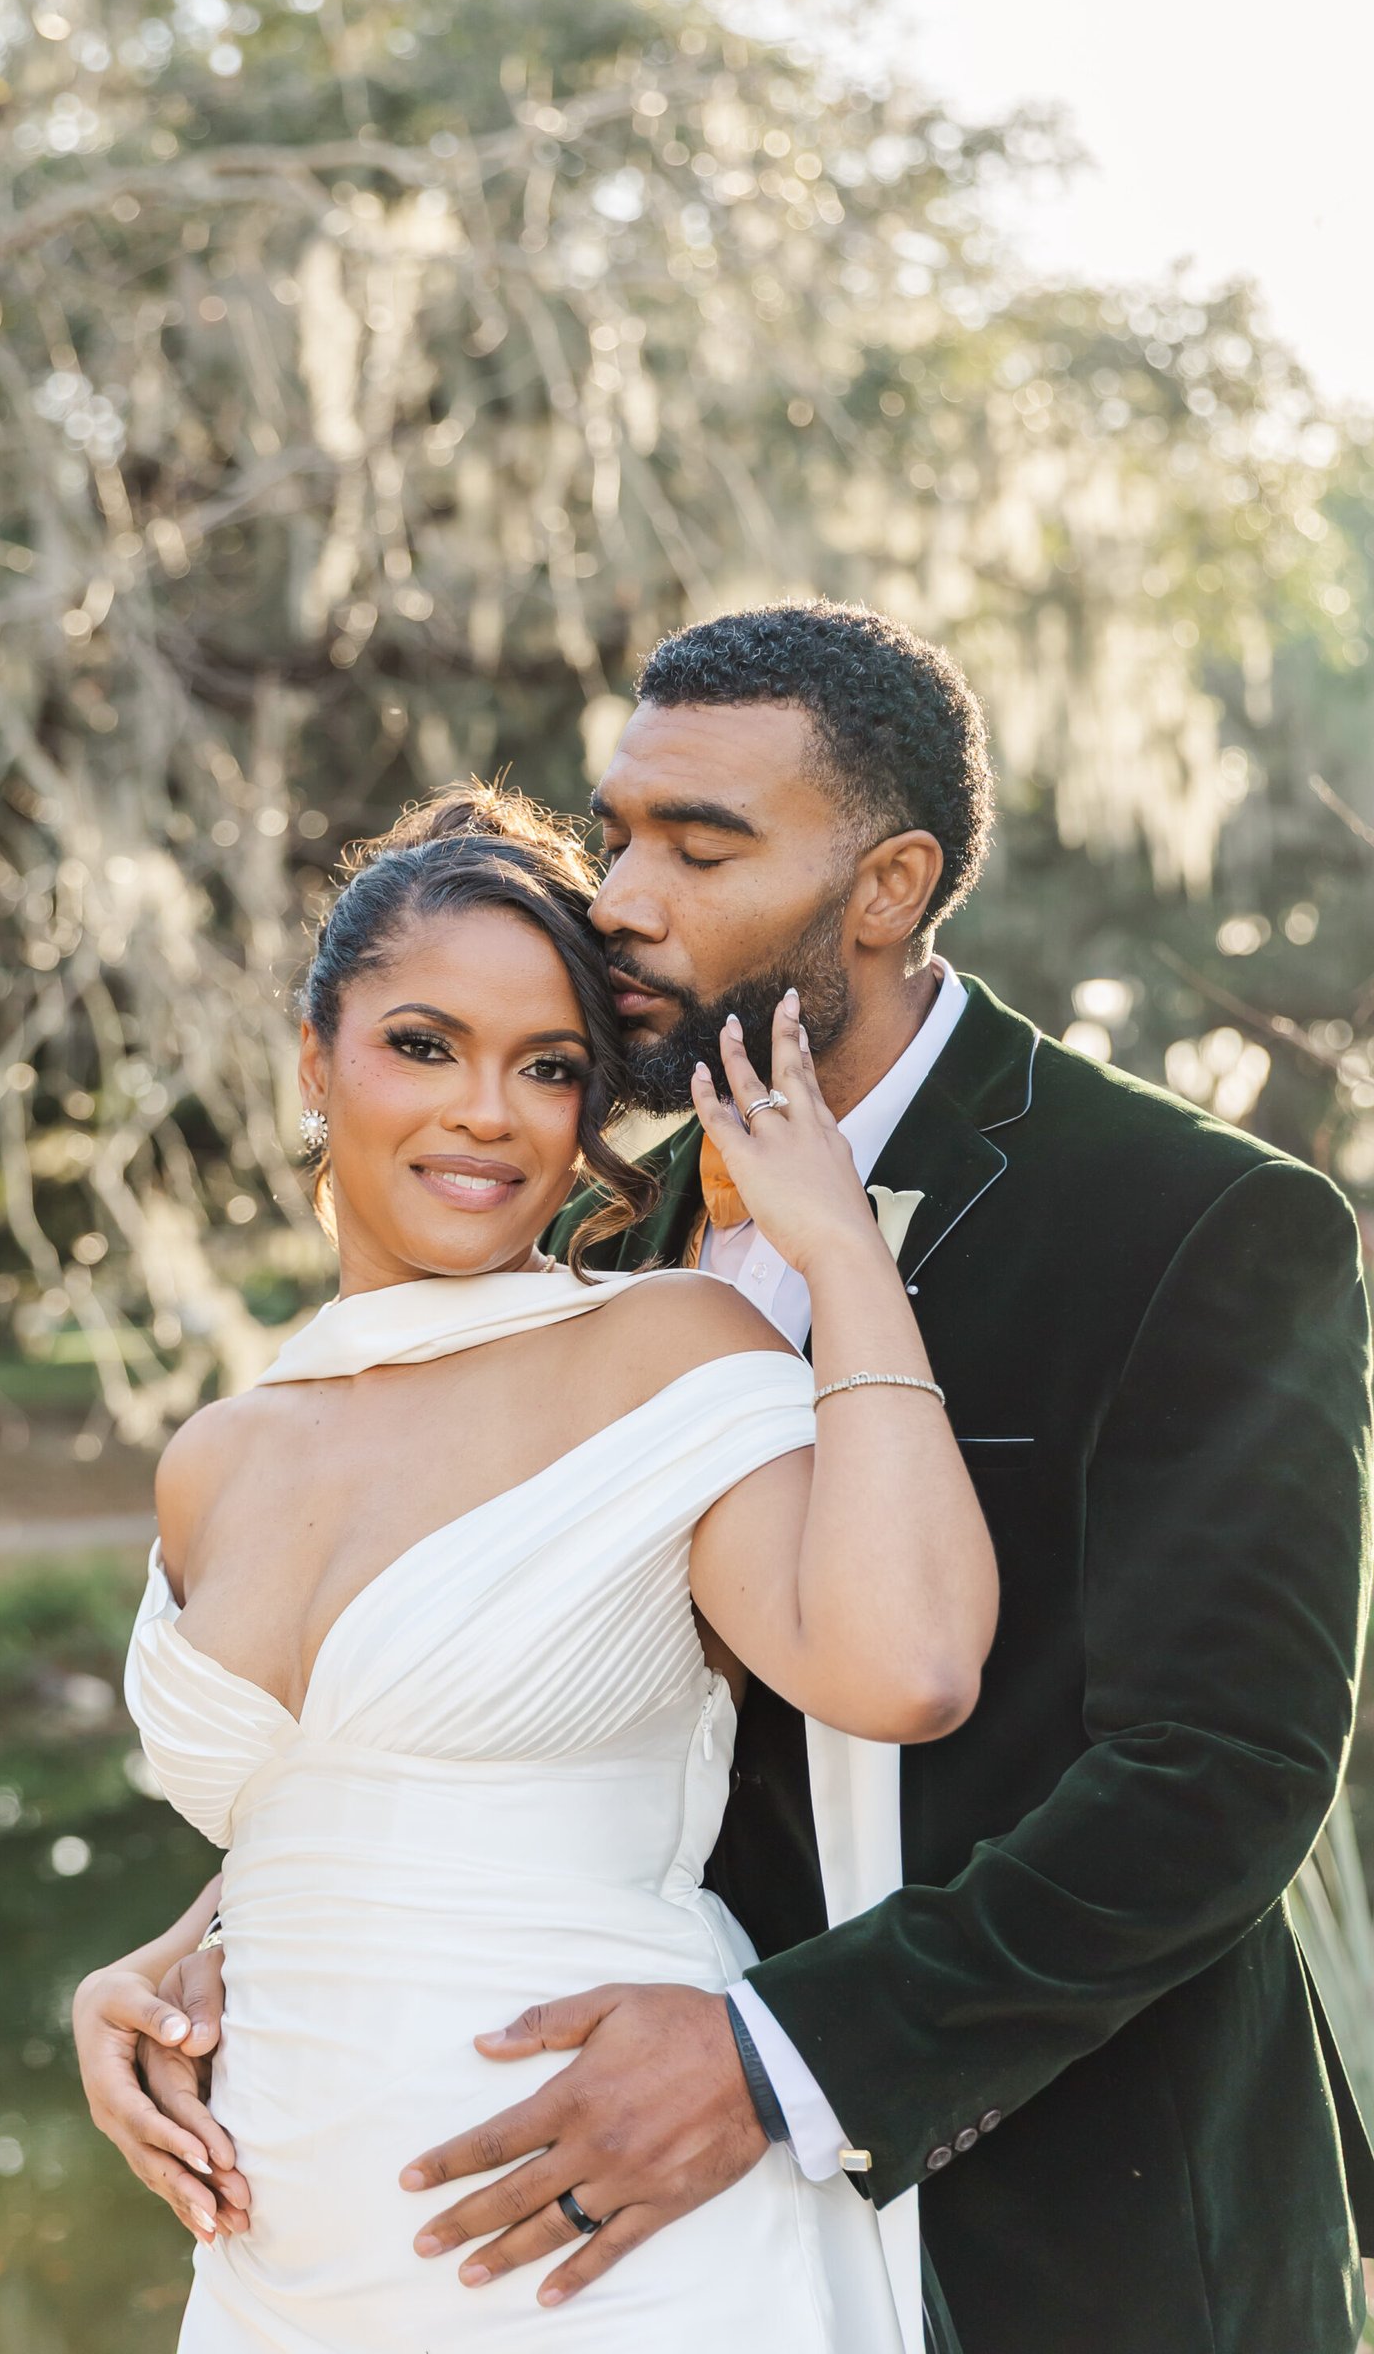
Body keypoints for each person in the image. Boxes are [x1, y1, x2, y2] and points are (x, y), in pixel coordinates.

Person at [79, 602, 1374, 2354]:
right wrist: (212, 1937)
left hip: (1076, 2219)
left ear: (887, 886)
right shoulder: (610, 1223)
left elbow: (1223, 1772)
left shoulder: (1192, 1221)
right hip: (603, 2214)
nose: (618, 894)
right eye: (617, 830)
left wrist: (783, 2062)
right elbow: (514, 1655)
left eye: (702, 845)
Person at [80, 778, 998, 2354]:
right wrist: (160, 1975)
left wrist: (842, 1253)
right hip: (276, 2251)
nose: (487, 1113)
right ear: (317, 1058)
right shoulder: (217, 1454)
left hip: (600, 2225)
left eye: (549, 1068)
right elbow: (349, 1800)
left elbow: (905, 1666)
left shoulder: (662, 1350)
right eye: (423, 1045)